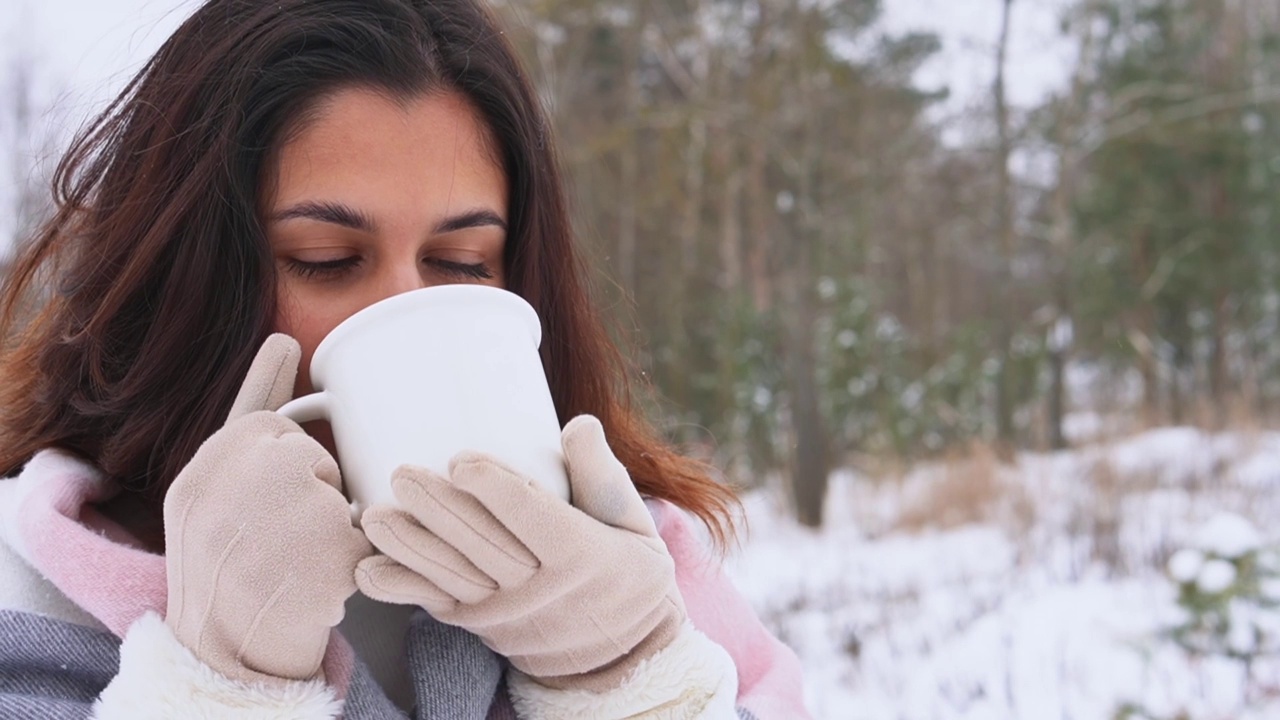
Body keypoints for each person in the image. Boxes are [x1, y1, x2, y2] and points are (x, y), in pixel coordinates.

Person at [0, 0, 810, 718]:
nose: (404, 307)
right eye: (323, 258)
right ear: (183, 281)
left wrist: (629, 681)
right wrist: (217, 688)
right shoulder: (29, 593)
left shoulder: (633, 572)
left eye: (460, 261)